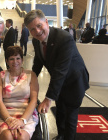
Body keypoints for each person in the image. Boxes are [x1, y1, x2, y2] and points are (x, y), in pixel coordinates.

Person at [24, 10, 89, 140]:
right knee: (60, 111)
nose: (37, 31)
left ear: (46, 22)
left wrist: (48, 99)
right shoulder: (37, 41)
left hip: (74, 81)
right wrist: (27, 81)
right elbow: (38, 62)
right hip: (59, 83)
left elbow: (60, 70)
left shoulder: (64, 38)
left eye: (39, 26)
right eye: (32, 29)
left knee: (70, 115)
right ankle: (61, 135)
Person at [0, 46, 39, 140]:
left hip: (26, 113)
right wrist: (8, 119)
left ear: (22, 60)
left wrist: (22, 120)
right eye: (11, 59)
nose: (15, 62)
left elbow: (34, 100)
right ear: (6, 61)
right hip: (4, 113)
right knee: (7, 136)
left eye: (18, 58)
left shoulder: (31, 75)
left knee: (21, 137)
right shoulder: (0, 76)